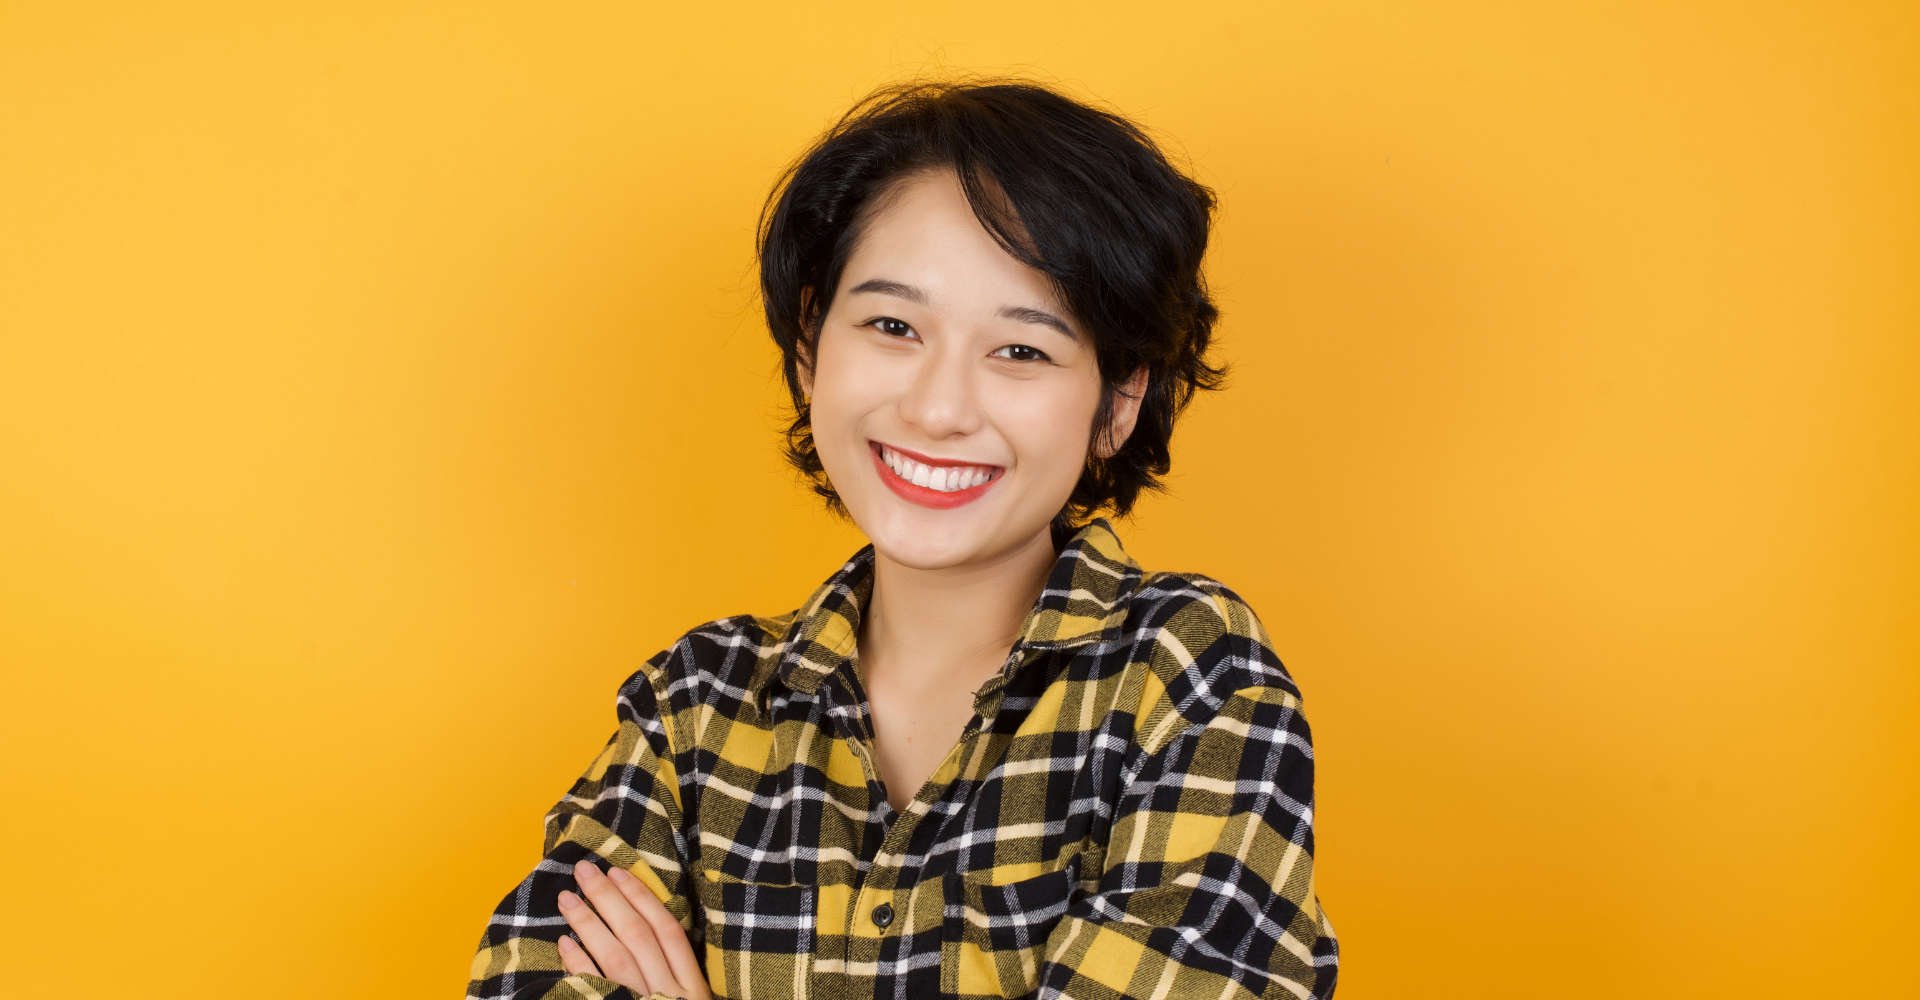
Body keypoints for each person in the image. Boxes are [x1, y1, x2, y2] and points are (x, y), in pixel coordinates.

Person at [465, 77, 1339, 1000]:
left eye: (1022, 350)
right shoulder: (696, 704)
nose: (937, 407)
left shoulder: (1189, 678)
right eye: (892, 325)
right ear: (811, 347)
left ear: (1118, 402)